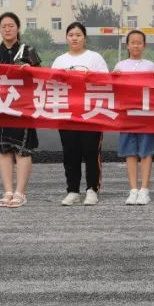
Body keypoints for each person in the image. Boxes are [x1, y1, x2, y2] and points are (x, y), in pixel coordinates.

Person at [0, 12, 41, 209]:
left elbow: (40, 77)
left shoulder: (28, 50)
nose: (7, 29)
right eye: (4, 26)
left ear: (18, 28)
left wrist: (30, 69)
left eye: (11, 26)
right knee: (3, 148)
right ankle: (7, 191)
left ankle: (20, 192)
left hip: (21, 107)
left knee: (22, 149)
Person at [52, 22, 109, 206]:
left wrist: (88, 76)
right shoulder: (59, 60)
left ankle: (92, 189)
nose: (74, 38)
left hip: (91, 113)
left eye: (78, 35)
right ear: (66, 38)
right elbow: (52, 85)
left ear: (85, 38)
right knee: (70, 152)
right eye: (71, 35)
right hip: (67, 114)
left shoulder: (95, 58)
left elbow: (106, 81)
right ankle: (73, 190)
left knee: (91, 151)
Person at [114, 30, 154, 206]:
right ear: (127, 45)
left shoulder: (150, 66)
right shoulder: (120, 65)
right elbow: (113, 88)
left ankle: (144, 189)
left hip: (146, 114)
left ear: (144, 45)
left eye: (139, 42)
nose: (136, 45)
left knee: (146, 152)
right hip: (127, 114)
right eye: (133, 42)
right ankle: (133, 189)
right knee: (130, 152)